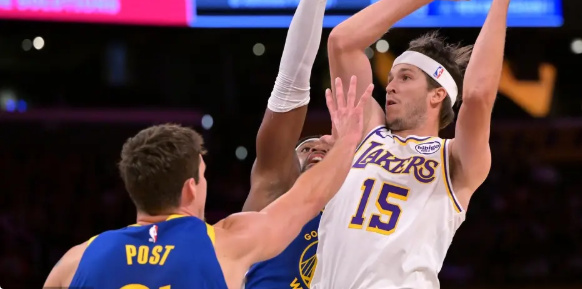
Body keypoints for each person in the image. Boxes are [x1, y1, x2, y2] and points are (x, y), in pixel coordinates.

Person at [311, 0, 531, 289]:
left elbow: (477, 95)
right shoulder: (365, 133)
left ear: (437, 94)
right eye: (391, 78)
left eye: (406, 77)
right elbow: (342, 43)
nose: (390, 86)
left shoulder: (456, 160)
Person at [42, 75, 374, 289]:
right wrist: (348, 140)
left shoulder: (76, 260)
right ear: (190, 187)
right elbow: (307, 197)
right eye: (202, 175)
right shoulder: (224, 245)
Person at [243, 0, 370, 289]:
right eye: (306, 147)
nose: (315, 147)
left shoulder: (363, 210)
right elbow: (290, 86)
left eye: (326, 148)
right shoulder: (275, 190)